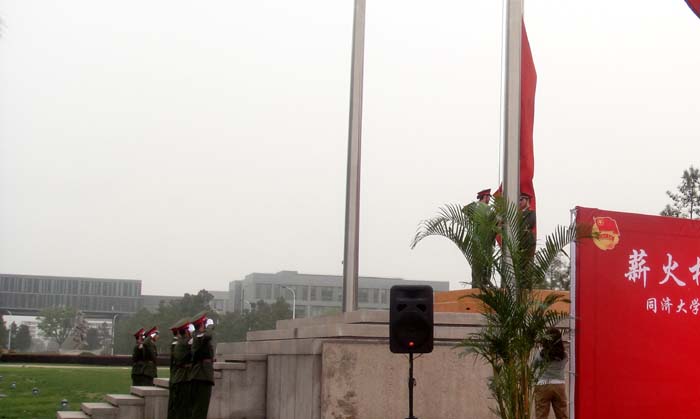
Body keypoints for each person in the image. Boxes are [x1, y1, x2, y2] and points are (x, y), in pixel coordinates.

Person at [463, 188, 495, 288]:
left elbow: (464, 210)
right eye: (488, 197)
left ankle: (475, 285)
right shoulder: (488, 209)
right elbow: (495, 223)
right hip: (486, 241)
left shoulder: (474, 207)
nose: (489, 199)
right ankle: (485, 284)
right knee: (486, 264)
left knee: (476, 265)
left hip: (475, 241)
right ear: (485, 197)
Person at [534, 328, 569, 419]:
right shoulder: (564, 355)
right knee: (562, 415)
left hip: (543, 385)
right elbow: (564, 362)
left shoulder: (540, 354)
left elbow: (534, 365)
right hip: (559, 385)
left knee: (541, 416)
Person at [188, 311, 215, 419]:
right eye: (205, 323)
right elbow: (208, 335)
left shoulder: (197, 336)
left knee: (199, 407)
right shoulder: (199, 336)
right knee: (201, 407)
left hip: (199, 374)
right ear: (202, 325)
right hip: (202, 375)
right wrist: (210, 325)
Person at [168, 318, 193, 419]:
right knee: (183, 407)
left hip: (179, 377)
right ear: (186, 332)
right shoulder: (184, 343)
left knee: (179, 406)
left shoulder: (179, 343)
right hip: (183, 378)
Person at [519, 192, 536, 256]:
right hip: (520, 242)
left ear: (527, 200)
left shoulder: (531, 212)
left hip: (528, 241)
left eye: (521, 200)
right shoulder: (518, 213)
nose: (520, 202)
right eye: (519, 200)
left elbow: (530, 223)